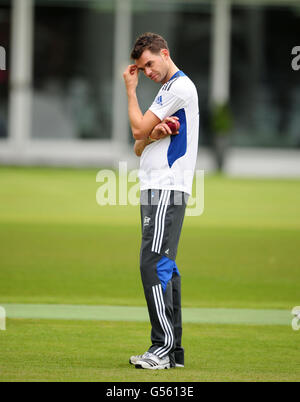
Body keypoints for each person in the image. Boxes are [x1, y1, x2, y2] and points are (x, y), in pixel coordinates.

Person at [123, 32, 199, 370]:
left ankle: (162, 347)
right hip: (158, 188)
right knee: (165, 267)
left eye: (150, 64)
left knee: (152, 263)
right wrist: (152, 134)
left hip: (166, 188)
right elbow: (139, 145)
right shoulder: (165, 93)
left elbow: (137, 131)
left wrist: (129, 90)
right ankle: (174, 352)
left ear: (164, 53)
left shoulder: (177, 89)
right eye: (141, 68)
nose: (147, 72)